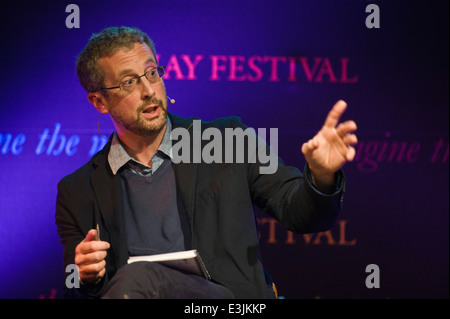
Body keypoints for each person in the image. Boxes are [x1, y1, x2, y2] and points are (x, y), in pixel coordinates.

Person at [55, 26, 358, 299]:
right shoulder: (78, 191)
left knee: (140, 275)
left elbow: (300, 212)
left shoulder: (226, 140)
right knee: (135, 280)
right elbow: (79, 287)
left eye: (151, 73)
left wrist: (320, 177)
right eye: (129, 82)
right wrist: (86, 276)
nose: (149, 91)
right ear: (99, 102)